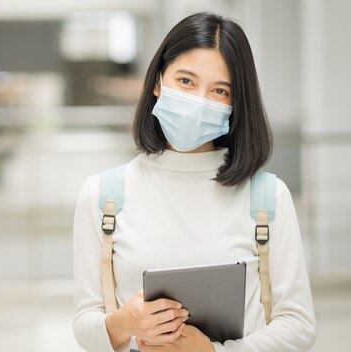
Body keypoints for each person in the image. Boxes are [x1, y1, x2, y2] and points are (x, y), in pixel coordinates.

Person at [72, 12, 316, 352]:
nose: (199, 101)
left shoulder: (267, 197)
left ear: (235, 104)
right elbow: (86, 325)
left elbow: (299, 325)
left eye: (219, 90)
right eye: (186, 81)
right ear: (157, 81)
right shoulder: (103, 196)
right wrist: (126, 322)